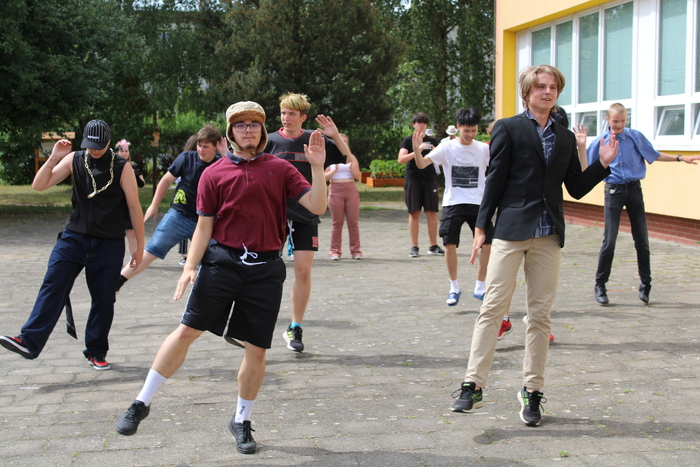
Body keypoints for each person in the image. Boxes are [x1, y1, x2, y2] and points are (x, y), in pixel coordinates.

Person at [115, 101, 327, 455]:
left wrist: (318, 168)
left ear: (262, 130)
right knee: (186, 331)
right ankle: (141, 402)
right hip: (222, 264)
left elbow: (317, 206)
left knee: (257, 350)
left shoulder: (279, 168)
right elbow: (204, 226)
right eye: (241, 125)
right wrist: (189, 267)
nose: (248, 130)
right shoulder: (213, 173)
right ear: (230, 132)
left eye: (254, 124)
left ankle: (241, 420)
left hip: (265, 269)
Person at [450, 65, 619, 427]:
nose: (548, 91)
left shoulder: (564, 136)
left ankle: (532, 391)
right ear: (527, 92)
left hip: (548, 235)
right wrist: (481, 227)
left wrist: (602, 165)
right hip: (510, 231)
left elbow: (575, 187)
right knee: (492, 308)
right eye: (541, 86)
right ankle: (472, 385)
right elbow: (495, 178)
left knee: (540, 316)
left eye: (553, 86)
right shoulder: (508, 127)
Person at [0, 120, 144, 370]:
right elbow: (39, 185)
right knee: (53, 284)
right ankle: (29, 341)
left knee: (104, 298)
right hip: (74, 238)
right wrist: (54, 157)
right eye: (90, 145)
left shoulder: (122, 168)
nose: (94, 150)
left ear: (109, 142)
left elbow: (134, 207)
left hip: (108, 243)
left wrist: (138, 246)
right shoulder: (75, 159)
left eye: (99, 146)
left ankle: (96, 351)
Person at [589, 103, 700, 305]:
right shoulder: (600, 142)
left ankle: (646, 285)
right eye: (615, 121)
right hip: (613, 191)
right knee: (610, 240)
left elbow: (654, 155)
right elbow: (586, 167)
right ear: (607, 120)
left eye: (623, 121)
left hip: (634, 190)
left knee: (642, 239)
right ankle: (600, 285)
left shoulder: (635, 137)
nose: (619, 125)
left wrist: (681, 158)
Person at [264, 92, 350, 352]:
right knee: (266, 271)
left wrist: (335, 135)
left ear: (303, 117)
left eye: (291, 114)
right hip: (273, 215)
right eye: (283, 113)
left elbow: (346, 159)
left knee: (303, 271)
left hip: (306, 214)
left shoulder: (314, 139)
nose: (286, 118)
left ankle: (295, 327)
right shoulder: (270, 141)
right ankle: (259, 320)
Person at [116, 125, 227, 291]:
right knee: (152, 249)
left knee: (215, 261)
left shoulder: (221, 163)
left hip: (206, 222)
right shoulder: (186, 158)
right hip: (179, 216)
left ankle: (207, 296)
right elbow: (166, 180)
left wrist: (225, 153)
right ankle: (117, 282)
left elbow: (237, 174)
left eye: (206, 147)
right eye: (199, 145)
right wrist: (154, 205)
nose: (201, 150)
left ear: (215, 146)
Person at [411, 108, 492, 307]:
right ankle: (454, 287)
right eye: (466, 130)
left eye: (473, 130)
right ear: (458, 127)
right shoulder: (447, 147)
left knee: (487, 244)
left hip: (478, 203)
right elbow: (421, 165)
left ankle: (480, 286)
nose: (470, 134)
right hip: (453, 203)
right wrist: (416, 149)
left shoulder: (483, 149)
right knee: (449, 244)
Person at [398, 112, 445, 258]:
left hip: (429, 179)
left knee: (431, 212)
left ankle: (433, 245)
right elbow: (401, 159)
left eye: (424, 122)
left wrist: (436, 152)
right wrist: (417, 149)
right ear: (414, 124)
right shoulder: (408, 141)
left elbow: (441, 161)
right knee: (414, 213)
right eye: (418, 122)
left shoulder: (432, 141)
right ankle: (414, 246)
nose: (421, 125)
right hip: (413, 179)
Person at [324, 133, 362, 260]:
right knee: (337, 223)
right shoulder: (329, 158)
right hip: (335, 189)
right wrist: (334, 170)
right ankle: (335, 251)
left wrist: (351, 168)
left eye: (345, 142)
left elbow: (358, 176)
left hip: (351, 189)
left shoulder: (351, 157)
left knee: (353, 222)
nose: (342, 144)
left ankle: (356, 251)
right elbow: (323, 177)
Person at [116, 139, 146, 258]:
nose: (124, 153)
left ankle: (133, 258)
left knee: (132, 233)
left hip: (129, 203)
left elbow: (142, 185)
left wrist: (134, 174)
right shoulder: (113, 166)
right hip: (115, 203)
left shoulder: (133, 166)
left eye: (126, 151)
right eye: (121, 151)